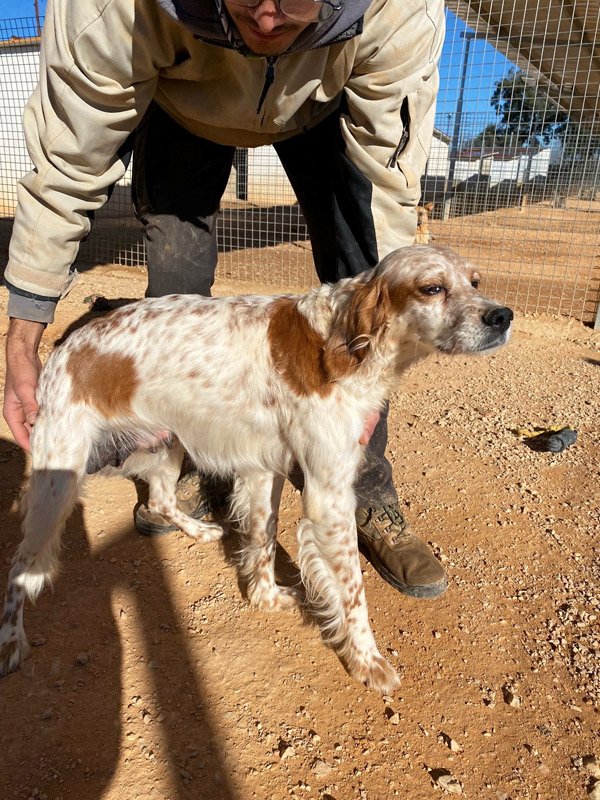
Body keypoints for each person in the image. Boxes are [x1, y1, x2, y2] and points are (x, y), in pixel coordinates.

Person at [3, 0, 447, 599]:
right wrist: (23, 336)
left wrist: (378, 342)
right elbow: (66, 165)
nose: (265, 18)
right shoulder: (108, 9)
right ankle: (186, 458)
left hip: (324, 105)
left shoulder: (399, 10)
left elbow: (388, 187)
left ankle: (364, 490)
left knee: (362, 273)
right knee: (177, 282)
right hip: (182, 102)